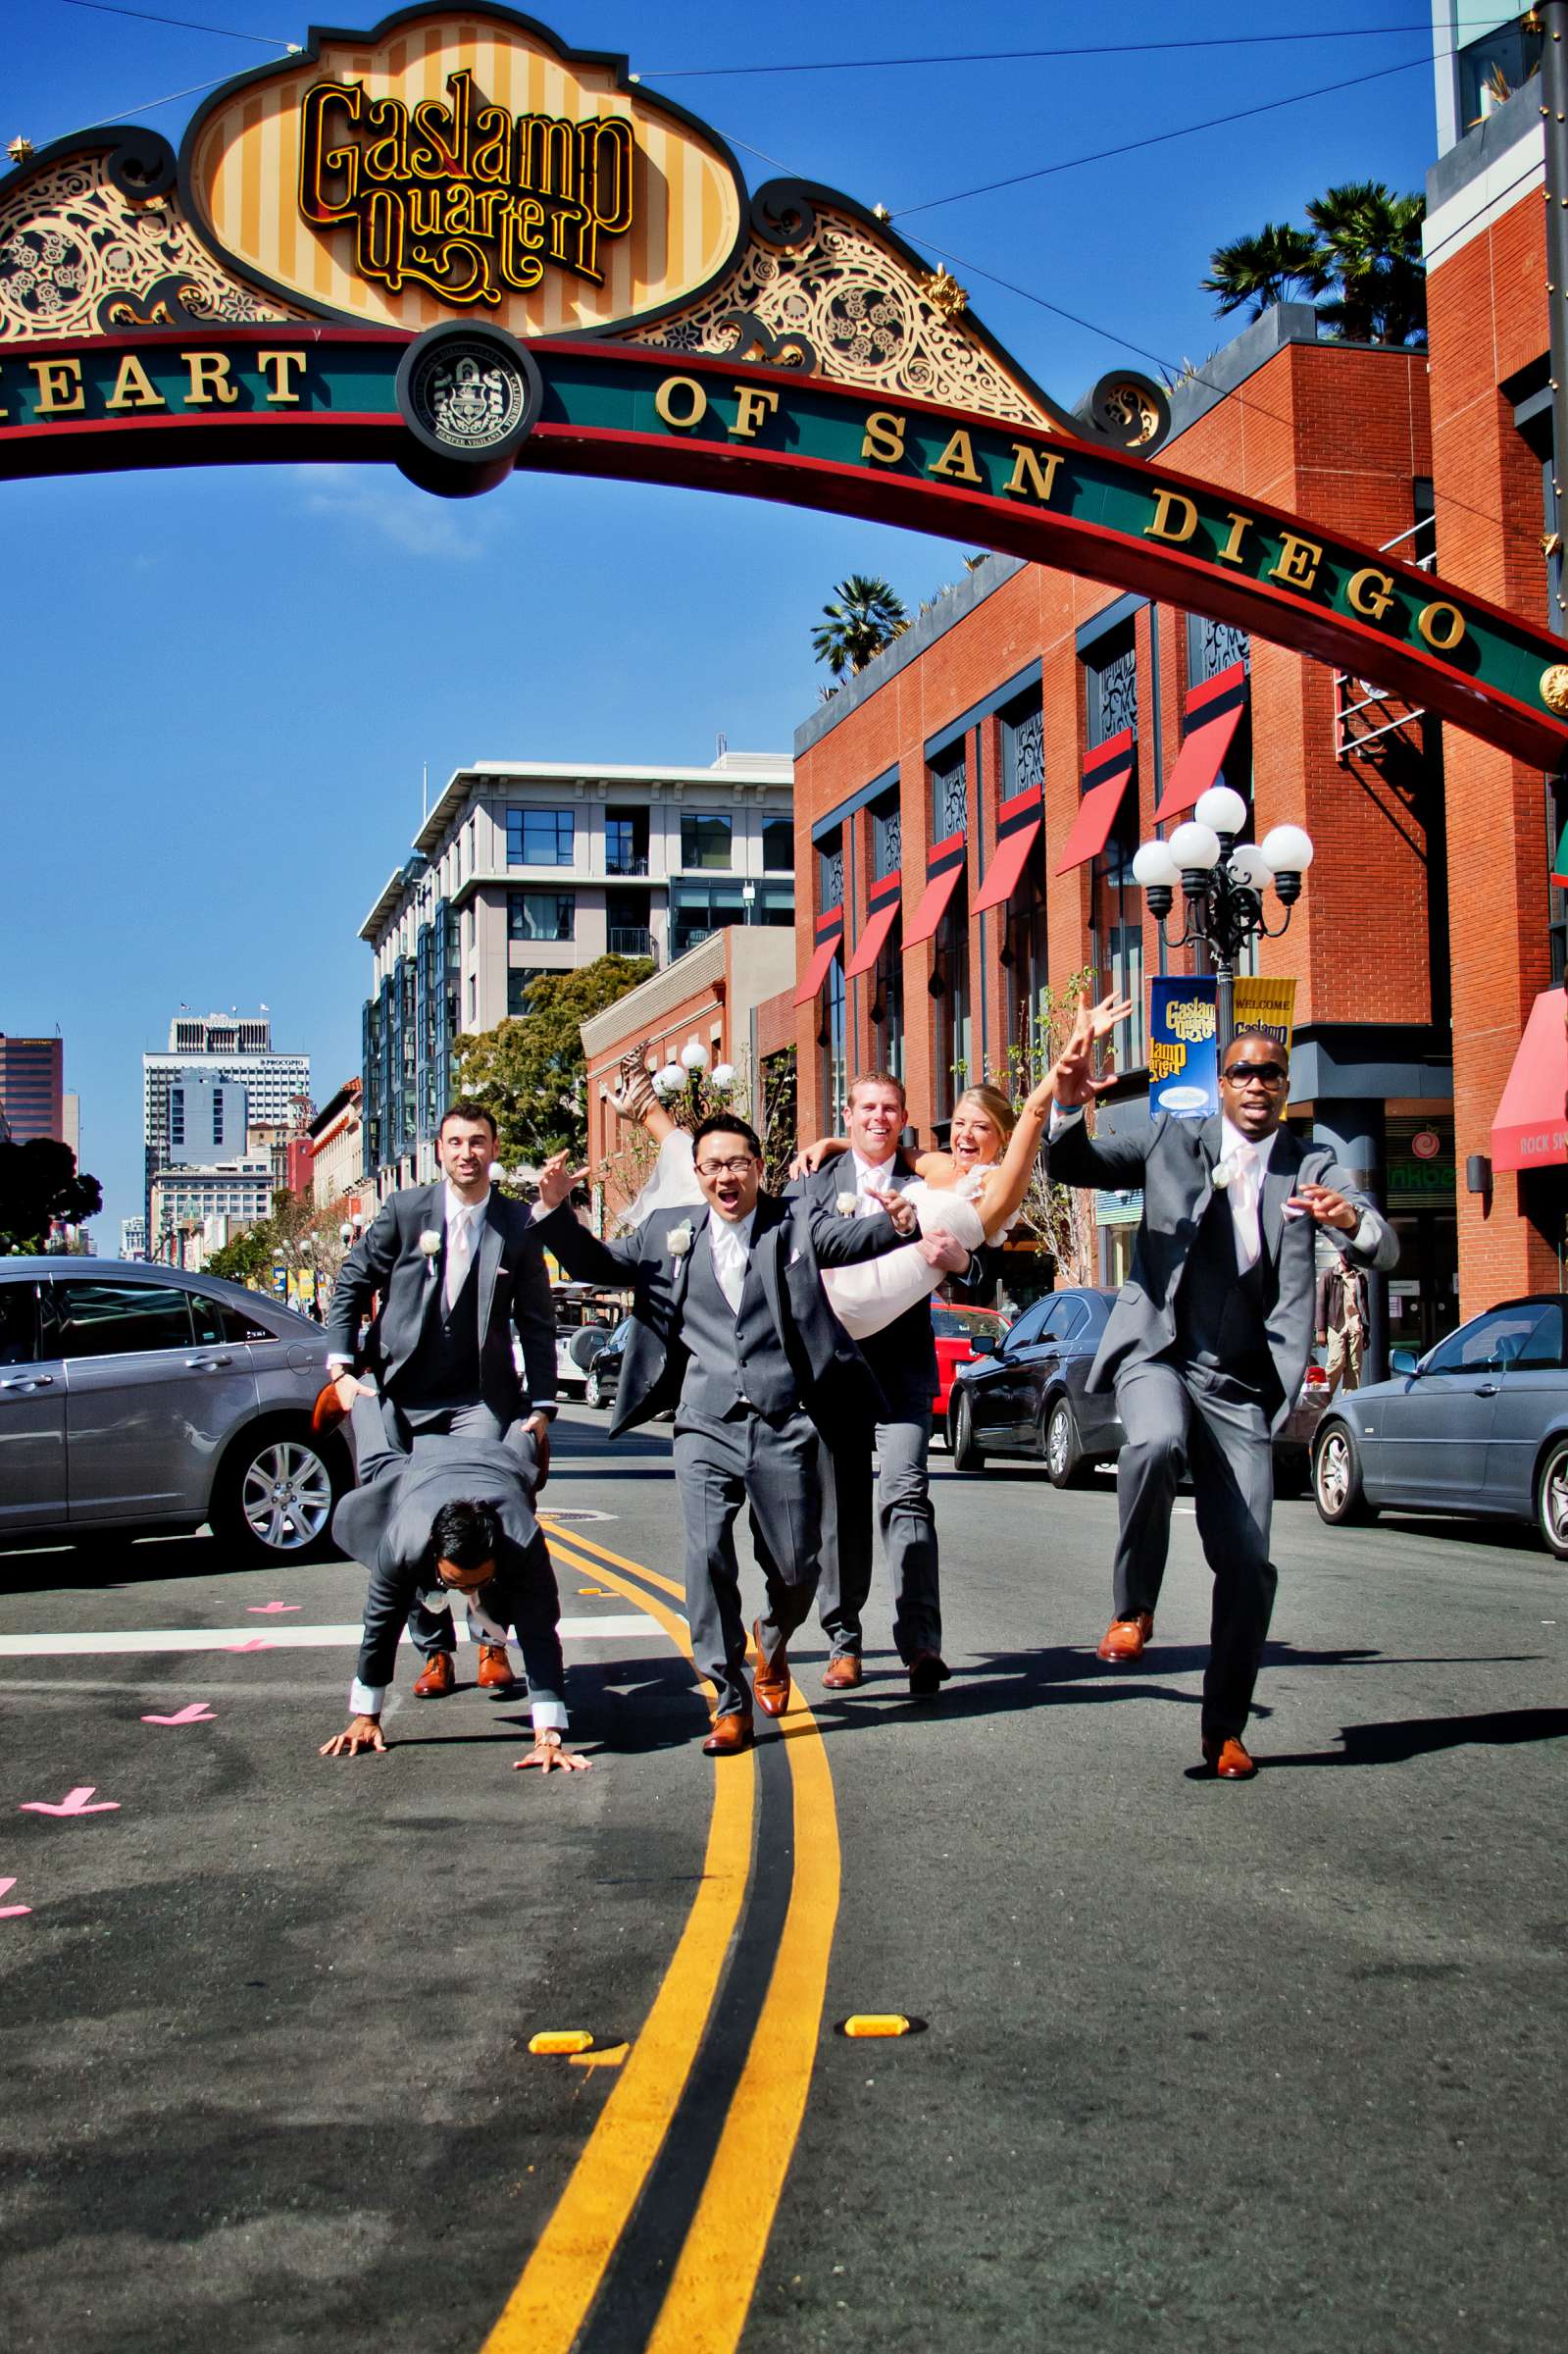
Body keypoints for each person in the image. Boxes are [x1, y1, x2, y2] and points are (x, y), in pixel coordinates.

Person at [608, 1003, 1129, 1695]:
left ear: (907, 1121)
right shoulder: (812, 1179)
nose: (880, 1119)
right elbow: (747, 1217)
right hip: (825, 1363)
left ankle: (919, 1645)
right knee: (839, 1507)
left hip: (899, 1363)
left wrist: (1049, 1085)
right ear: (849, 1116)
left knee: (906, 1495)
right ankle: (841, 1639)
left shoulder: (937, 1183)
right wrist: (827, 1149)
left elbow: (1004, 1168)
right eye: (865, 1109)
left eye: (892, 1110)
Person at [1046, 1012, 1398, 1779]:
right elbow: (1073, 1164)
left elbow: (1381, 1239)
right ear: (1220, 1082)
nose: (1255, 1085)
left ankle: (1224, 1728)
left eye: (1269, 1073)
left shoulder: (1312, 1166)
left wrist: (1351, 1223)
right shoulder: (1171, 1136)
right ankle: (1133, 1606)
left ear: (1285, 1087)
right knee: (1153, 1442)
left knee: (1248, 1563)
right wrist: (1068, 1104)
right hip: (1156, 1353)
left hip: (1238, 1381)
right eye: (1240, 1071)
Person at [530, 1113, 935, 1754]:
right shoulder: (670, 1232)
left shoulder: (793, 1222)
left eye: (737, 1164)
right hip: (704, 1423)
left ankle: (771, 1639)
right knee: (706, 1555)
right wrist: (556, 1213)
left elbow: (852, 1239)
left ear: (757, 1169)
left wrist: (899, 1223)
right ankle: (728, 1696)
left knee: (798, 1567)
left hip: (783, 1422)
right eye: (712, 1166)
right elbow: (600, 1263)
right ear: (697, 1175)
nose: (725, 1176)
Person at [321, 1098, 557, 1701]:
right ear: (440, 1151)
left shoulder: (517, 1224)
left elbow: (535, 1320)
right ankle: (432, 1648)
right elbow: (352, 1281)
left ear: (494, 1149)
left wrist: (541, 1404)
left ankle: (493, 1644)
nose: (466, 1154)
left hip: (480, 1396)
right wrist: (343, 1366)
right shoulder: (404, 1211)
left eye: (477, 1142)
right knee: (405, 1516)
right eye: (455, 1143)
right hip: (405, 1392)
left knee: (485, 1509)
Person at [319, 1420, 585, 1774]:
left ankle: (491, 1636)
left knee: (526, 1432)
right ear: (433, 1554)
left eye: (478, 1582)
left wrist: (548, 1737)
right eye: (457, 1582)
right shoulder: (402, 1543)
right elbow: (379, 1626)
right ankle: (360, 1395)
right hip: (425, 1470)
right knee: (407, 1593)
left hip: (500, 1464)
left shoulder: (523, 1541)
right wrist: (365, 1717)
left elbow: (540, 1634)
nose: (467, 1591)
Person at [1315, 1254, 1369, 1397]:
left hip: (1355, 1325)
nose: (1347, 1256)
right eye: (1344, 1252)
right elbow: (1320, 1303)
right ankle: (1319, 1398)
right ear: (1339, 1254)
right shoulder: (1329, 1275)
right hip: (1335, 1325)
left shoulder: (1359, 1276)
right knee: (1335, 1363)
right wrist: (1320, 1330)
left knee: (1354, 1367)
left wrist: (1366, 1332)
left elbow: (1364, 1305)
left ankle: (1349, 1401)